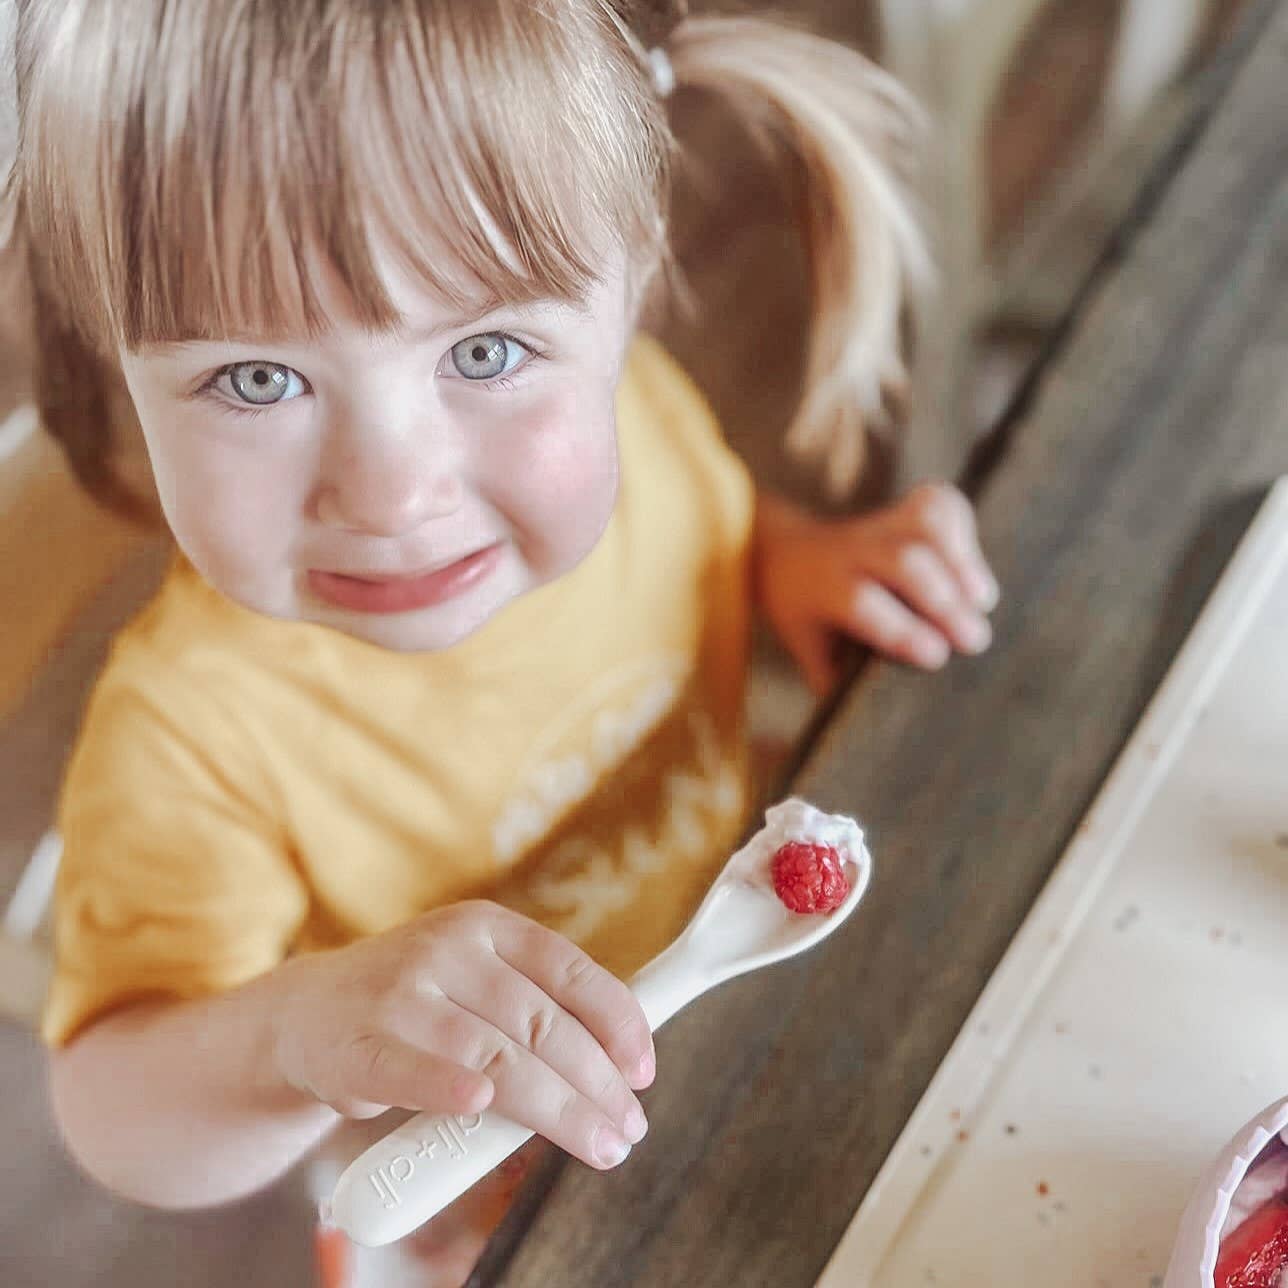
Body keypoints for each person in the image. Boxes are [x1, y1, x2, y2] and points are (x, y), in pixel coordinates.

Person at [6, 0, 998, 1282]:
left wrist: (792, 560)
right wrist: (296, 1033)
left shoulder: (643, 423)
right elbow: (113, 1108)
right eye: (256, 378)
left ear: (631, 289)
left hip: (751, 1033)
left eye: (483, 350)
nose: (389, 493)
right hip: (471, 1194)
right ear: (119, 362)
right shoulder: (190, 735)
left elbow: (706, 520)